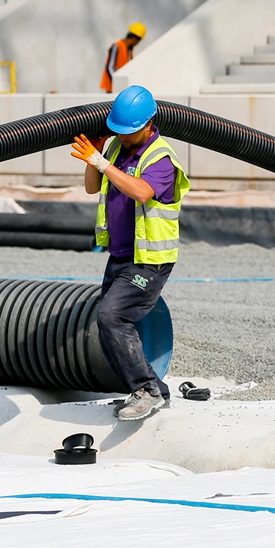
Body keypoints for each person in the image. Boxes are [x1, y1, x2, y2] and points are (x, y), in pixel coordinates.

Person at [71, 85, 189, 421]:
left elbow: (141, 191)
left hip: (149, 260)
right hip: (122, 254)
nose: (123, 137)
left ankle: (146, 390)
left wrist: (102, 164)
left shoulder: (161, 158)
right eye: (119, 131)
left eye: (130, 131)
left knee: (112, 316)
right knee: (105, 320)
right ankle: (152, 389)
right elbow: (93, 186)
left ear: (149, 124)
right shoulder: (118, 149)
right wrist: (94, 158)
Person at [99, 22, 146, 93]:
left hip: (123, 88)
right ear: (134, 38)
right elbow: (110, 67)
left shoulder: (129, 49)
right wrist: (118, 82)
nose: (137, 43)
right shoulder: (117, 46)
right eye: (138, 41)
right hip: (112, 87)